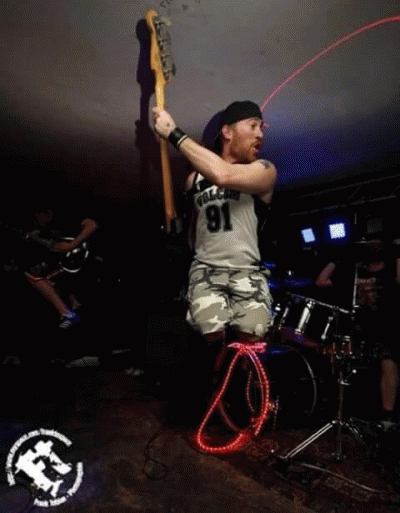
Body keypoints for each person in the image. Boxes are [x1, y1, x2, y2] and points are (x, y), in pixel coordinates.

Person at [152, 101, 277, 423]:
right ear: (227, 132)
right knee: (209, 338)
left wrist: (173, 134)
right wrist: (189, 248)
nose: (260, 134)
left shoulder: (264, 169)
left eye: (262, 127)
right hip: (207, 270)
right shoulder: (194, 180)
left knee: (250, 341)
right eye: (253, 125)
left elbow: (223, 174)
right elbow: (194, 228)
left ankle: (241, 402)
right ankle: (206, 398)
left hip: (247, 271)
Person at [316, 233, 400, 428]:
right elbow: (321, 281)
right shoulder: (354, 271)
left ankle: (387, 417)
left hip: (387, 327)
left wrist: (397, 252)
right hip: (360, 327)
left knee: (387, 358)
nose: (371, 247)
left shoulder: (390, 270)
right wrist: (337, 258)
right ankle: (338, 409)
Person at [24, 209, 98, 329]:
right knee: (48, 279)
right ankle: (73, 307)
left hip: (86, 259)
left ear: (47, 213)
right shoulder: (45, 230)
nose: (37, 220)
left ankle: (68, 314)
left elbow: (92, 224)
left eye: (38, 216)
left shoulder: (65, 217)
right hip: (66, 264)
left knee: (33, 275)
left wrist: (72, 245)